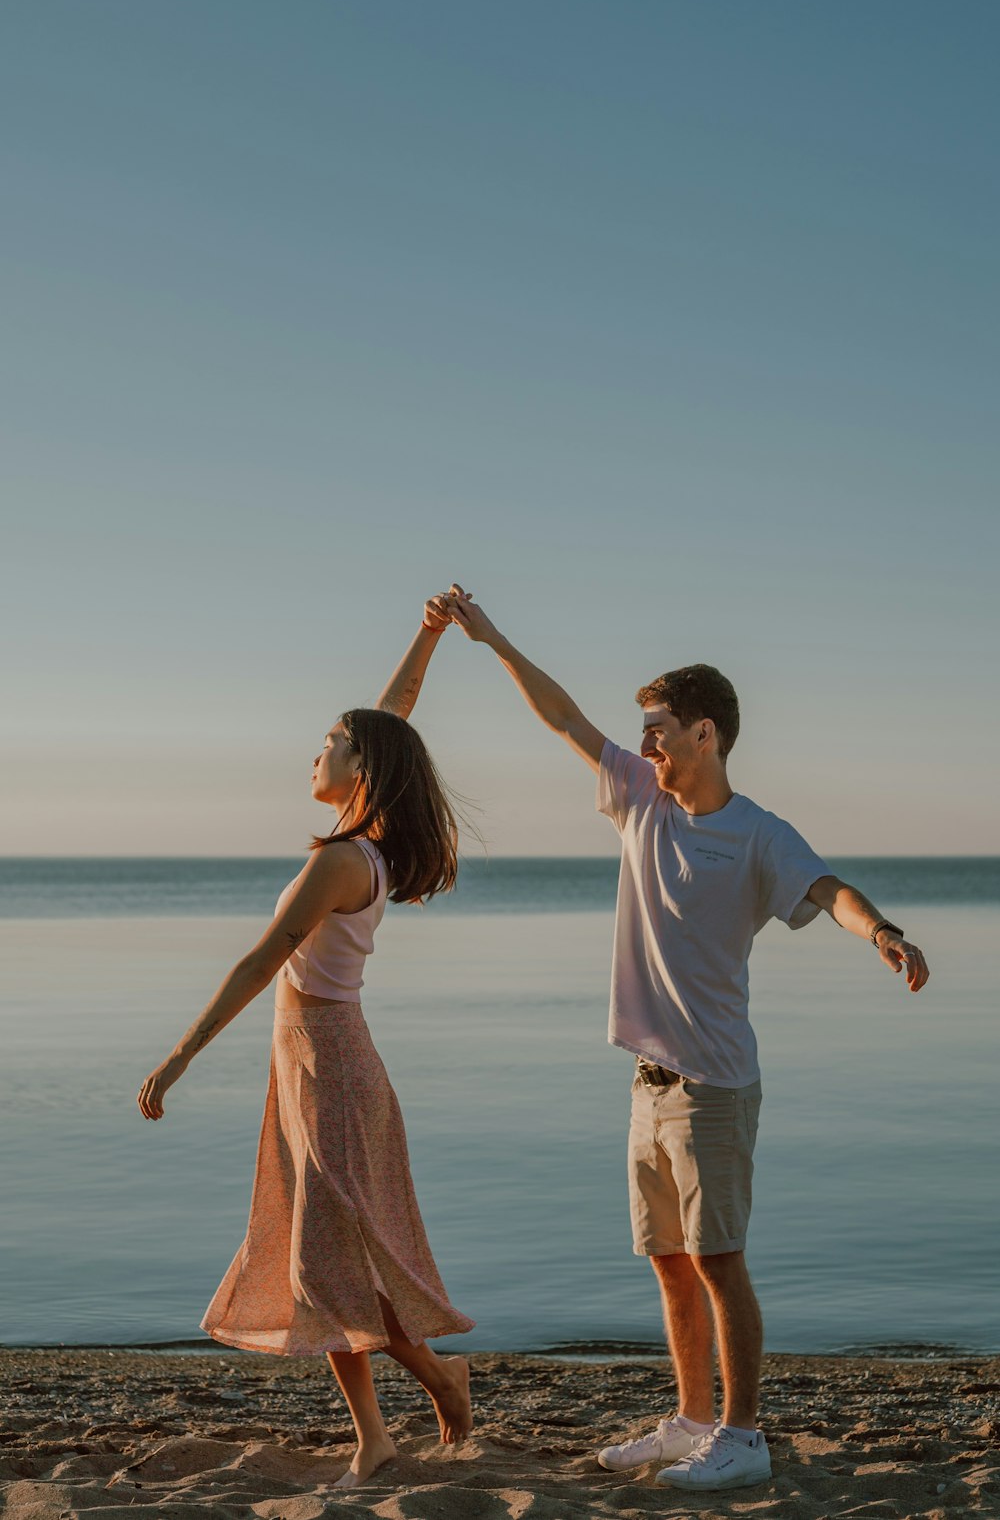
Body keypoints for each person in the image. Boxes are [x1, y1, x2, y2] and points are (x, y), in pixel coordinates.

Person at [444, 585, 929, 1495]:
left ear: (706, 733)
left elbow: (830, 891)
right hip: (646, 1081)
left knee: (718, 1261)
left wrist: (885, 931)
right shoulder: (639, 800)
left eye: (662, 726)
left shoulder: (758, 834)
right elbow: (564, 718)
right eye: (647, 729)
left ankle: (744, 1435)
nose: (647, 742)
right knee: (669, 1263)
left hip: (714, 1084)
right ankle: (693, 1418)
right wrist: (493, 637)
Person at [137, 594, 474, 1490]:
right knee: (321, 1260)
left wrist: (177, 1057)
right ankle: (383, 1427)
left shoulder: (342, 859)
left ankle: (431, 1386)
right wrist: (429, 635)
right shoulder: (366, 842)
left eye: (330, 739)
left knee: (329, 1265)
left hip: (328, 1063)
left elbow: (261, 960)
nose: (315, 750)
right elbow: (392, 716)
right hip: (312, 1060)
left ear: (360, 767)